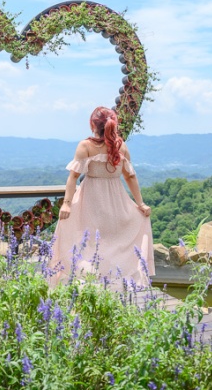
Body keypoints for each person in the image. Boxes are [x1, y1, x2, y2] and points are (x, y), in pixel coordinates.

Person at [47, 106, 154, 288]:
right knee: (113, 240)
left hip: (90, 199)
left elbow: (73, 177)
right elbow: (130, 177)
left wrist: (66, 204)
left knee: (87, 240)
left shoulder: (85, 146)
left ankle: (87, 282)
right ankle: (113, 283)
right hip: (116, 199)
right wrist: (140, 203)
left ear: (92, 125)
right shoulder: (122, 146)